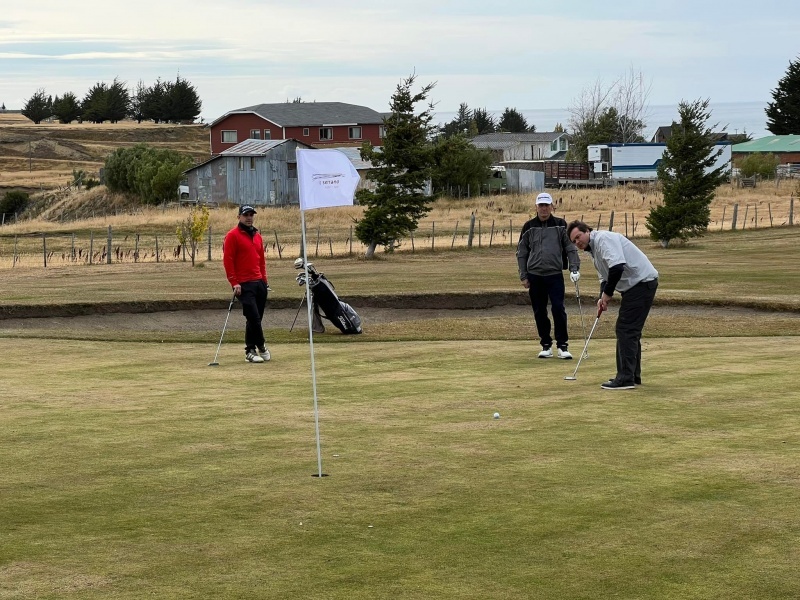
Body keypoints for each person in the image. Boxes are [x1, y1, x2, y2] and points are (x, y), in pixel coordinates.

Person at [566, 220, 659, 390]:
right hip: (636, 287)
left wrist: (608, 294)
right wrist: (603, 297)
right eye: (574, 241)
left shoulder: (603, 239)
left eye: (578, 237)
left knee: (625, 329)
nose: (577, 242)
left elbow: (617, 267)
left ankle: (625, 378)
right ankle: (632, 375)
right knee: (630, 330)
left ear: (587, 231)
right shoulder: (593, 251)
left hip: (642, 283)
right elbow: (606, 278)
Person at [516, 192, 581, 360]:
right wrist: (523, 275)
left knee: (558, 308)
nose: (544, 209)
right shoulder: (529, 226)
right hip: (535, 275)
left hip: (554, 274)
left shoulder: (560, 225)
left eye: (547, 205)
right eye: (541, 205)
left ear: (552, 206)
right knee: (539, 310)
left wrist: (574, 268)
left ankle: (562, 345)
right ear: (536, 207)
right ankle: (546, 344)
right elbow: (522, 252)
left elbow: (570, 248)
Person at [223, 204, 271, 363]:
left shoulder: (257, 236)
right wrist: (234, 282)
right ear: (239, 217)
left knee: (255, 318)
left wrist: (264, 280)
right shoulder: (232, 235)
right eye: (246, 215)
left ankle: (250, 351)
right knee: (254, 318)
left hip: (259, 283)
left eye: (251, 214)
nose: (249, 217)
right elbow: (228, 261)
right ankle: (261, 346)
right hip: (243, 285)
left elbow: (261, 261)